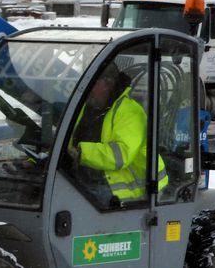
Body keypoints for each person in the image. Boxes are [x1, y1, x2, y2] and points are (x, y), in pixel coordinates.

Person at [66, 65, 168, 203]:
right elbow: (69, 140)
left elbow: (121, 155)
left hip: (132, 189)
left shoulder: (129, 112)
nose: (86, 89)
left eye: (92, 83)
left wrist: (81, 153)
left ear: (108, 84)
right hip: (92, 180)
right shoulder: (87, 108)